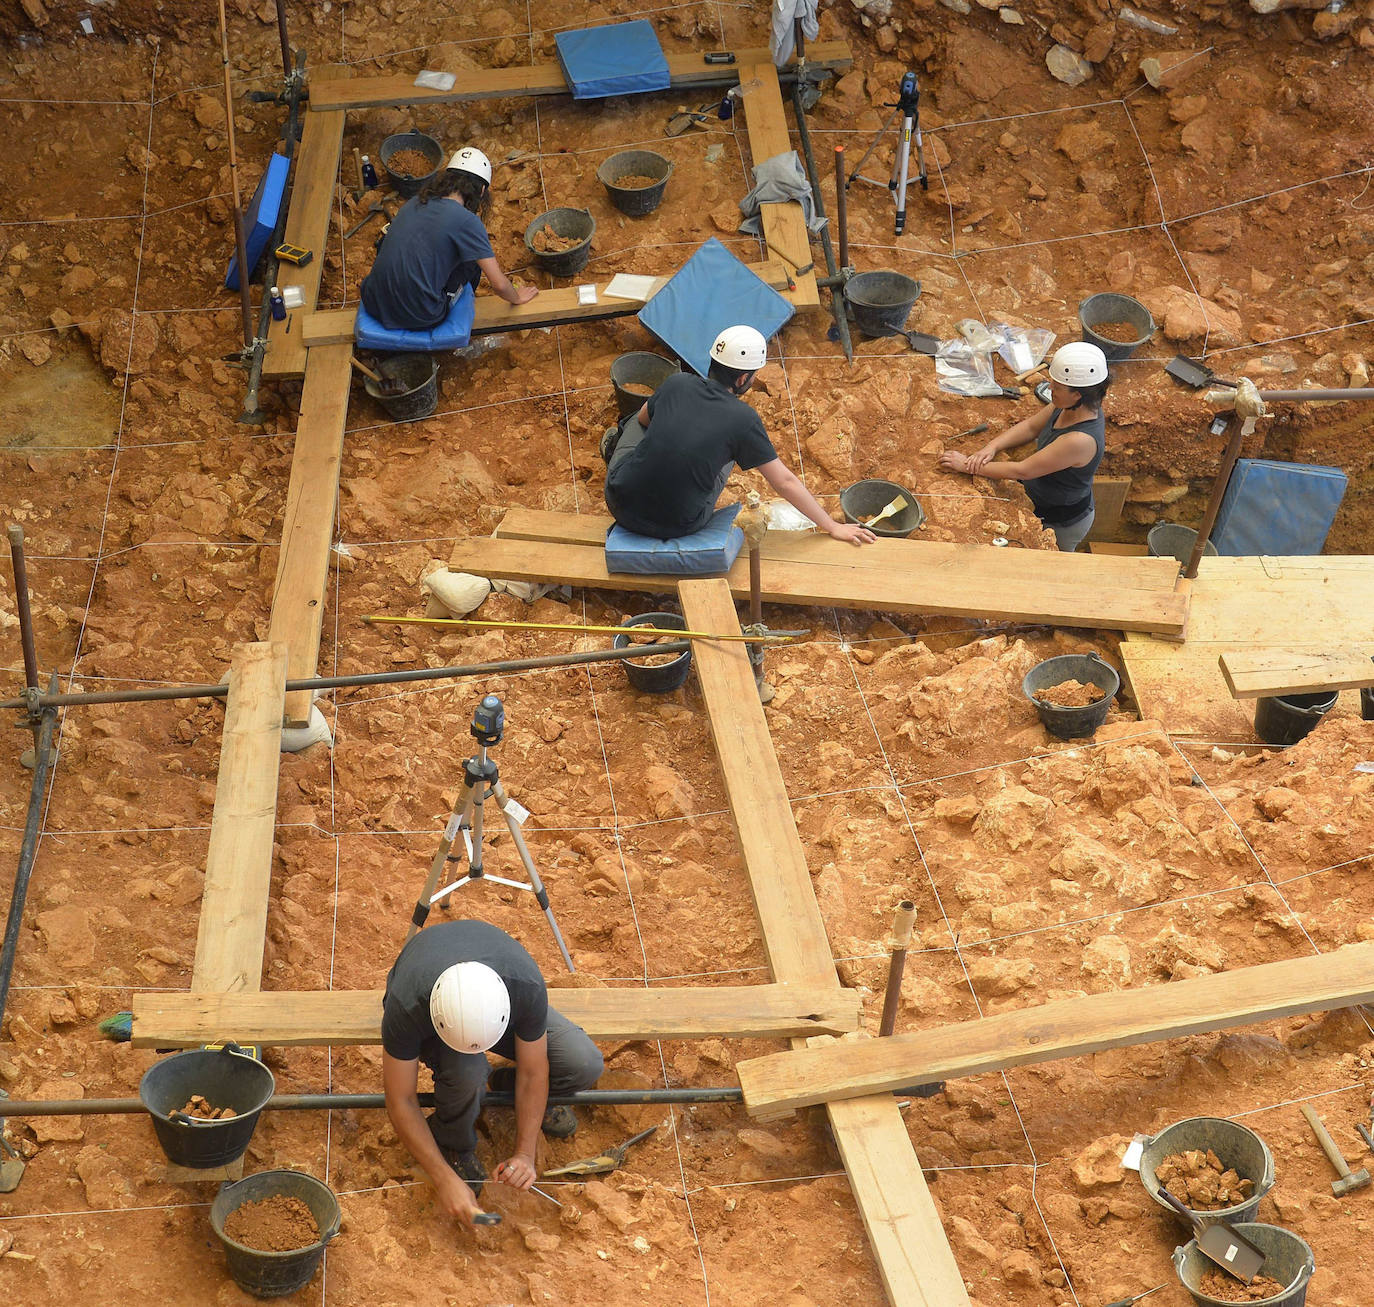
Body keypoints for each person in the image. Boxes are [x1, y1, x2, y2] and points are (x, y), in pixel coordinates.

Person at [380, 919, 602, 1227]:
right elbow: (400, 1099)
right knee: (467, 1074)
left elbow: (534, 1072)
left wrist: (525, 1153)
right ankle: (452, 1144)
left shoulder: (525, 986)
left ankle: (502, 1086)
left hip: (500, 988)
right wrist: (443, 1178)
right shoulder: (408, 1004)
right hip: (429, 987)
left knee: (583, 1062)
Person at [602, 325, 876, 546]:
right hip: (679, 525)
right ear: (743, 379)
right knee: (727, 455)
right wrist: (831, 526)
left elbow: (642, 420)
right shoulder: (743, 420)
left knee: (636, 423)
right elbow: (785, 481)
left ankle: (624, 456)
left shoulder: (677, 382)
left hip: (620, 504)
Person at [936, 341, 1110, 552]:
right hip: (1041, 501)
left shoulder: (1079, 440)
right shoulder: (1066, 406)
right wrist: (992, 446)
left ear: (1078, 395)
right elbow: (1030, 428)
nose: (1050, 389)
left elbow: (1023, 470)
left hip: (1062, 520)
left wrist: (966, 465)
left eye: (1058, 387)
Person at [360, 146, 537, 332]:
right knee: (472, 262)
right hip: (419, 315)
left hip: (373, 302)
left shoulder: (415, 202)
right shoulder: (468, 221)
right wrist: (517, 297)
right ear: (482, 190)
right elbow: (500, 285)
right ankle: (458, 304)